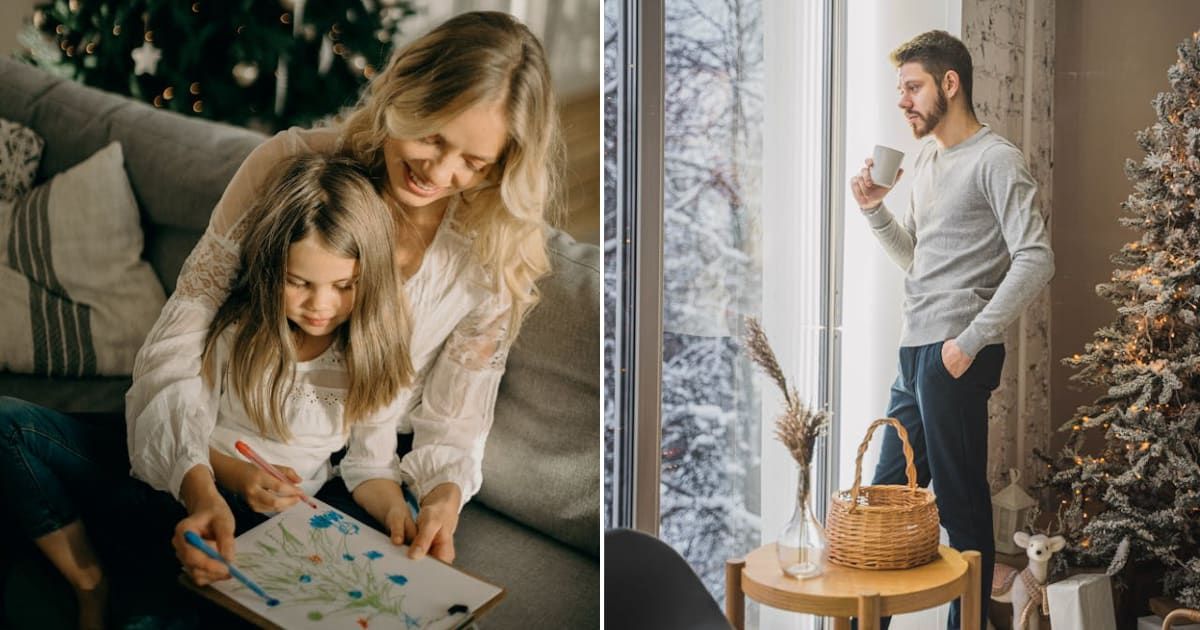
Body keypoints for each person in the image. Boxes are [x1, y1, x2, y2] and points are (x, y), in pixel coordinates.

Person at [124, 10, 564, 588]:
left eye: (475, 163)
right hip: (223, 446)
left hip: (360, 473)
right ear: (402, 93)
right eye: (432, 135)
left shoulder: (491, 248)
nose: (440, 170)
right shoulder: (291, 168)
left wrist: (443, 497)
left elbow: (456, 420)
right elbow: (185, 333)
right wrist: (199, 480)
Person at [0, 151, 413, 629]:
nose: (321, 305)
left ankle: (142, 577)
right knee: (10, 425)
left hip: (259, 525)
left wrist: (398, 514)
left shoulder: (375, 353)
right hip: (180, 469)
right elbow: (183, 418)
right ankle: (87, 579)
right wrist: (232, 475)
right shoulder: (237, 327)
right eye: (299, 282)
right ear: (270, 268)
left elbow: (369, 466)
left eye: (345, 285)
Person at [848, 30, 1054, 630]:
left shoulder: (997, 160)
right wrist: (873, 209)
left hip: (955, 354)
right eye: (900, 91)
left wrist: (968, 342)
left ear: (949, 83)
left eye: (912, 87)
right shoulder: (932, 162)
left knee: (962, 517)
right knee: (883, 507)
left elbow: (1037, 256)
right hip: (915, 355)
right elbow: (920, 259)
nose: (903, 101)